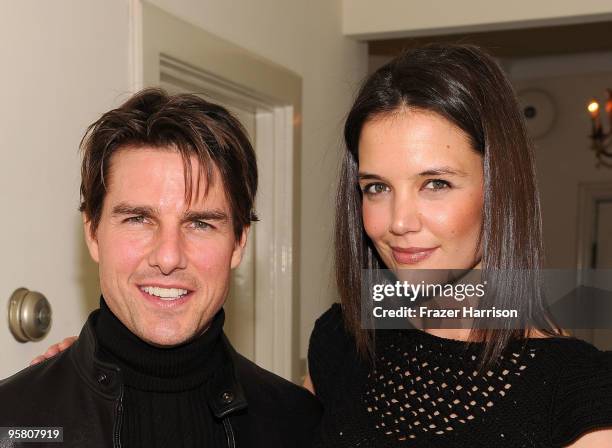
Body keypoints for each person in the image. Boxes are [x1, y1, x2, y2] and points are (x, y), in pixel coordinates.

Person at [304, 44, 612, 447]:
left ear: (500, 189)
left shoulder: (576, 391)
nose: (399, 222)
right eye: (377, 187)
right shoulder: (341, 340)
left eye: (436, 184)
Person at [0, 89, 321, 447]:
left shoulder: (298, 424)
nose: (168, 258)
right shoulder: (12, 422)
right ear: (92, 232)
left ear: (238, 243)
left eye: (200, 224)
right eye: (139, 219)